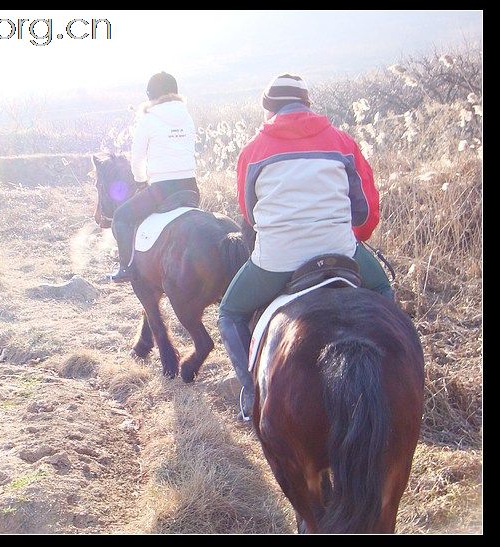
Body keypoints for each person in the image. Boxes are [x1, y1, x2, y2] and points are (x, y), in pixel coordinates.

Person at [217, 73, 394, 421]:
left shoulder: (253, 151)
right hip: (341, 250)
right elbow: (367, 210)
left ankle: (252, 395)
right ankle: (387, 377)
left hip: (278, 258)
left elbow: (250, 213)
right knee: (383, 289)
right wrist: (354, 234)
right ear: (307, 104)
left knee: (229, 313)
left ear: (269, 108)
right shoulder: (342, 142)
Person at [109, 71, 199, 283]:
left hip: (163, 188)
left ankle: (126, 267)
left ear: (151, 95)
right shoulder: (186, 116)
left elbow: (137, 159)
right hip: (191, 187)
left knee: (121, 217)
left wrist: (141, 182)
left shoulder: (148, 119)